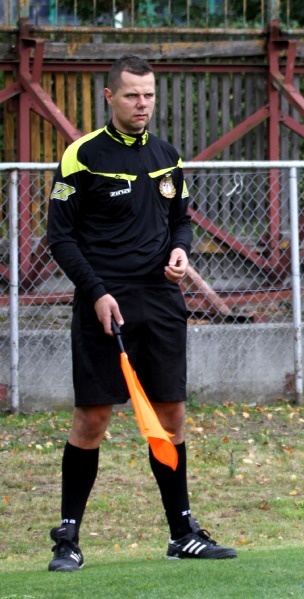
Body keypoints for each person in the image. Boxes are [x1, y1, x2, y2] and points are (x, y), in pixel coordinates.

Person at [45, 55, 237, 571]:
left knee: (171, 416)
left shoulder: (167, 154)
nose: (142, 104)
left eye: (148, 94)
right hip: (103, 302)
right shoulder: (80, 157)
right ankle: (68, 539)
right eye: (131, 95)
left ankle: (182, 533)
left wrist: (180, 252)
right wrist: (97, 292)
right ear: (109, 97)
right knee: (94, 419)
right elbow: (59, 237)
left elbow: (182, 220)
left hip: (161, 302)